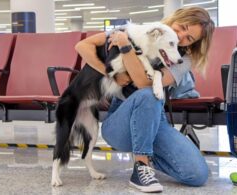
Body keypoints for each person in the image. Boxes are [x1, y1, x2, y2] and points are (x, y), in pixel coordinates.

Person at [75, 6, 215, 193]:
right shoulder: (138, 31)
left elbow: (142, 82)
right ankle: (141, 168)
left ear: (193, 44)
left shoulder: (183, 60)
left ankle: (147, 152)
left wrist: (125, 47)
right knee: (150, 94)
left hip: (155, 121)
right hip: (120, 122)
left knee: (197, 175)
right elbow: (82, 46)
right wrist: (110, 75)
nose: (180, 36)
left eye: (189, 38)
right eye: (181, 27)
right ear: (175, 19)